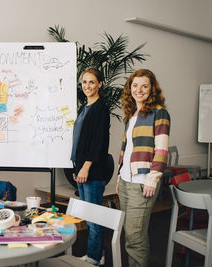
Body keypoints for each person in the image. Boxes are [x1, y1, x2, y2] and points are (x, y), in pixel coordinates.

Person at [117, 69, 170, 267]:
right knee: (130, 234)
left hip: (142, 182)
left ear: (152, 89)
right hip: (125, 181)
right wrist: (119, 177)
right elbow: (127, 148)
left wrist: (153, 177)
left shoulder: (159, 113)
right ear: (130, 88)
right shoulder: (132, 114)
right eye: (135, 85)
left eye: (144, 86)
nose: (139, 90)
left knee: (135, 237)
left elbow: (162, 149)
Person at [71, 68, 110, 266]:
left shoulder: (101, 108)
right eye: (84, 82)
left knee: (94, 217)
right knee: (87, 215)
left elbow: (98, 142)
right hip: (81, 168)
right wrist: (76, 166)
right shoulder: (84, 107)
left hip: (93, 171)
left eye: (92, 82)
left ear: (100, 84)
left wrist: (85, 167)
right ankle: (95, 253)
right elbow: (79, 140)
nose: (87, 86)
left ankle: (95, 257)